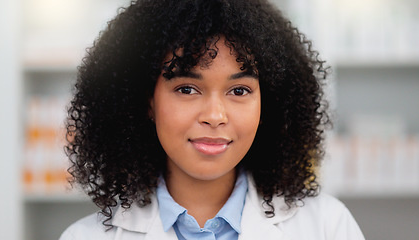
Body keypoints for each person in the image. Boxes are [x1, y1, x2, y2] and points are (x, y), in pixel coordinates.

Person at [60, 0, 365, 239]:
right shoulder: (82, 237)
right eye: (188, 89)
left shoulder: (327, 228)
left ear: (267, 104)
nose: (215, 116)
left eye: (240, 90)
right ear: (147, 102)